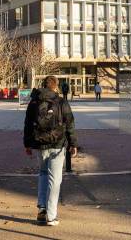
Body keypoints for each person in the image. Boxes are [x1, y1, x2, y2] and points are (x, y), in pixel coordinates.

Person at [24, 76, 78, 226]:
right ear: (56, 87)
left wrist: (27, 144)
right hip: (58, 143)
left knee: (43, 173)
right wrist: (73, 144)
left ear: (43, 86)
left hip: (40, 143)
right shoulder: (61, 102)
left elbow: (28, 124)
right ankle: (51, 215)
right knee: (55, 179)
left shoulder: (34, 102)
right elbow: (70, 123)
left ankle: (42, 209)